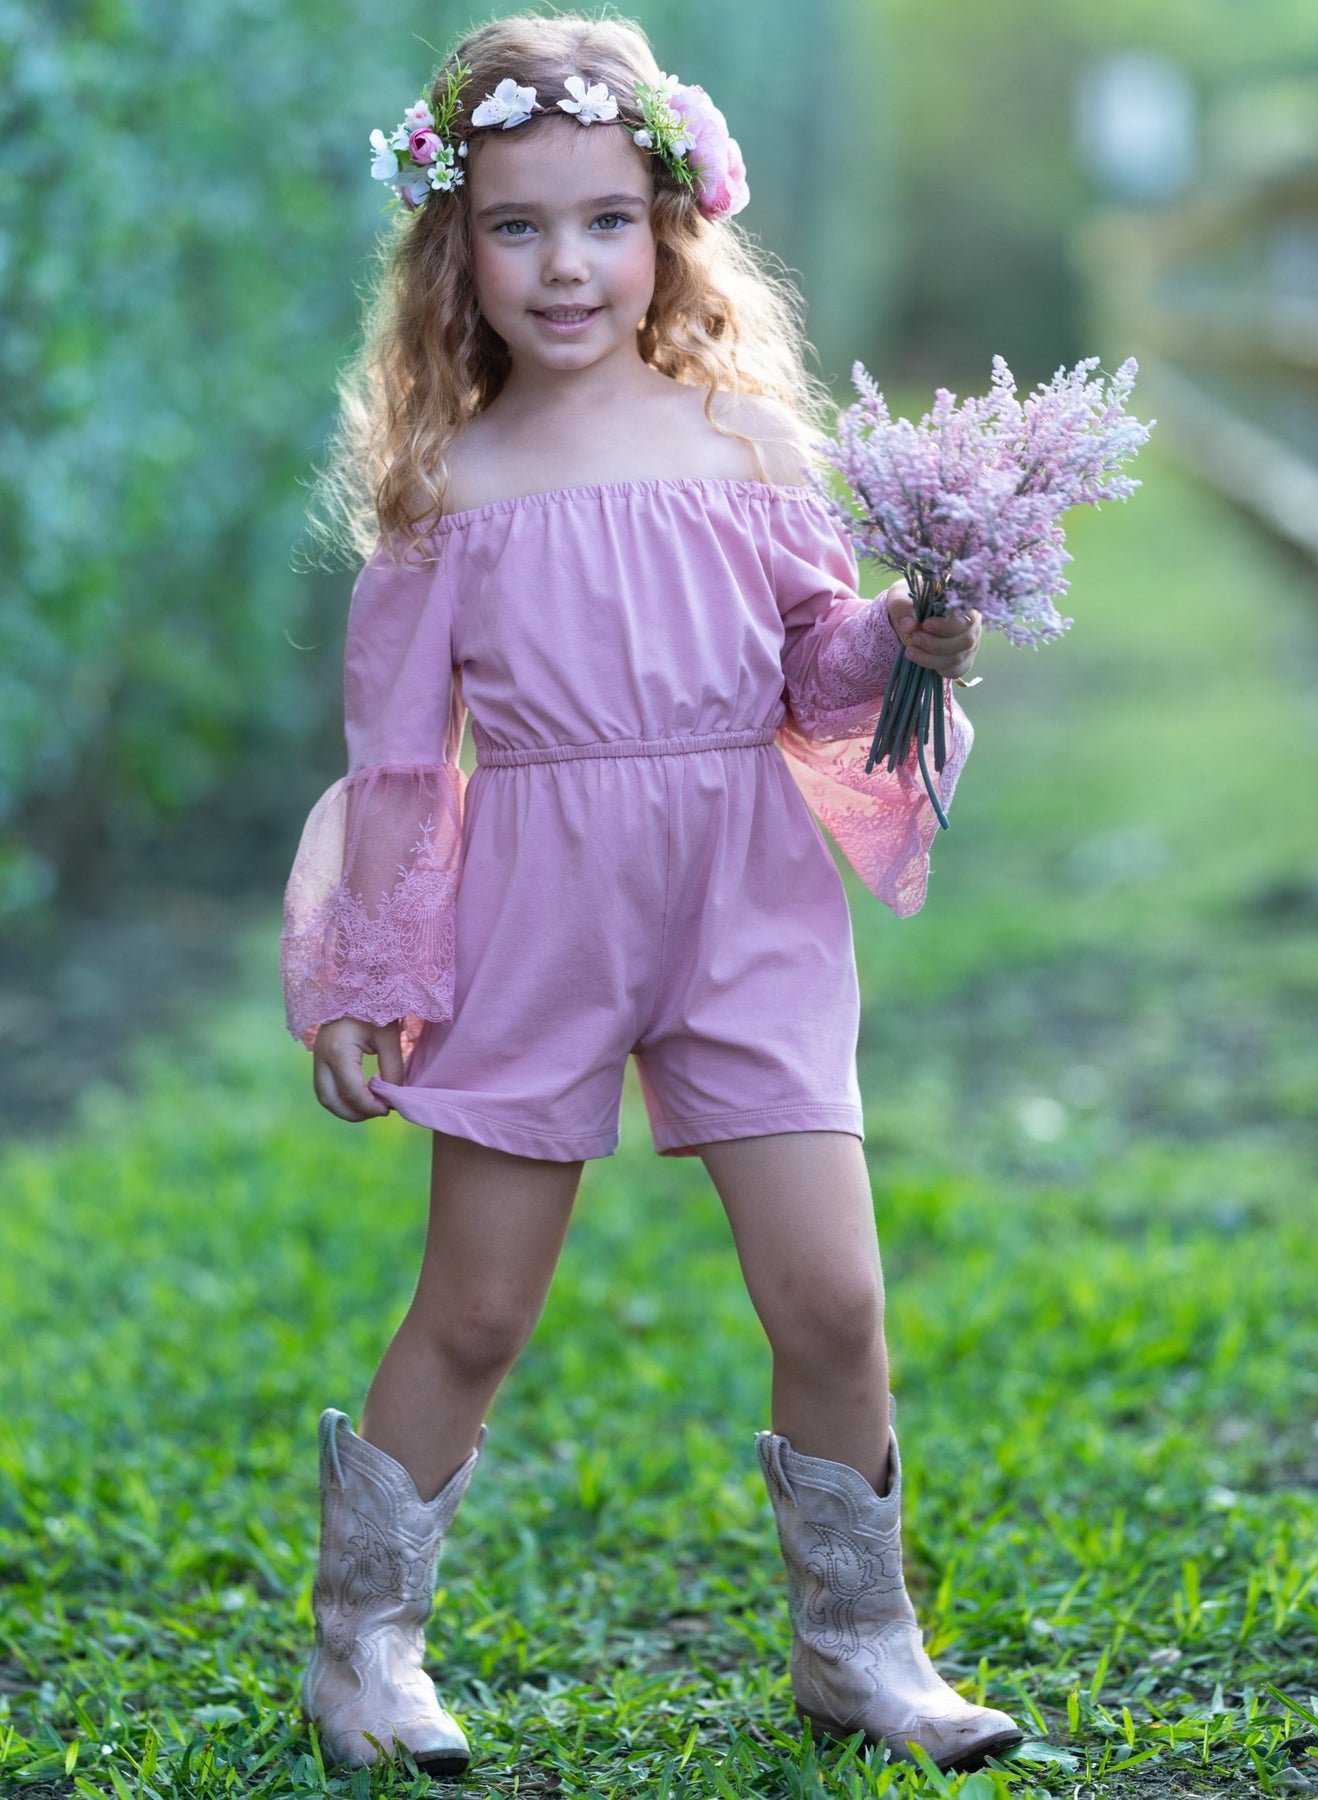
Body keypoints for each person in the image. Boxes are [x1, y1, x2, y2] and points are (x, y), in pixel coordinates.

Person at [279, 9, 1023, 1781]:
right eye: (517, 226)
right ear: (454, 248)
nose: (566, 264)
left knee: (832, 1300)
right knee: (476, 1308)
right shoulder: (445, 485)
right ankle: (360, 1652)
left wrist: (903, 636)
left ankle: (859, 1646)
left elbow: (812, 674)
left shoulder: (744, 442)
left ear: (671, 228)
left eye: (606, 219)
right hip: (537, 913)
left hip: (744, 904)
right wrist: (368, 973)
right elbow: (400, 760)